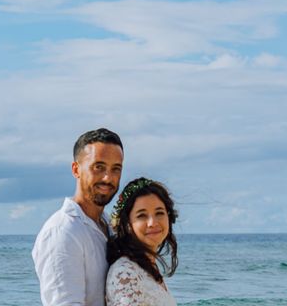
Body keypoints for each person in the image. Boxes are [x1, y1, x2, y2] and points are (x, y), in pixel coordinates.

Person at [32, 128, 124, 306]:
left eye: (116, 169)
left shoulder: (108, 226)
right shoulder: (62, 231)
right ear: (76, 169)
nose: (108, 177)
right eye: (99, 167)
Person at [106, 177, 179, 306]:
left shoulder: (148, 267)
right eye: (142, 215)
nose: (152, 223)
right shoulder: (126, 274)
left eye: (159, 213)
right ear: (128, 224)